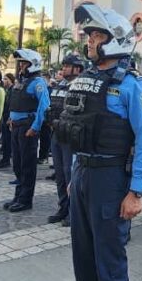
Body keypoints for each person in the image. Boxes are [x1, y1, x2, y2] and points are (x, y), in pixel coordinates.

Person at [49, 2, 142, 281]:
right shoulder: (87, 79)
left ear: (115, 40)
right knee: (84, 261)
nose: (89, 42)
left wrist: (137, 191)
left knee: (109, 265)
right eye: (90, 35)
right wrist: (75, 176)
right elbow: (82, 131)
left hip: (112, 180)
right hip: (84, 177)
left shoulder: (132, 85)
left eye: (96, 35)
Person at [4, 49, 50, 213]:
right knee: (17, 163)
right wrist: (11, 117)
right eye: (20, 63)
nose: (21, 66)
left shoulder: (38, 82)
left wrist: (35, 127)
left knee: (27, 165)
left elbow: (44, 106)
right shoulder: (21, 81)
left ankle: (25, 199)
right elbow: (16, 102)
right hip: (16, 125)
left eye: (24, 63)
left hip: (27, 128)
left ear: (33, 64)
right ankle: (18, 196)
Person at [47, 54, 86, 225]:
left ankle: (73, 211)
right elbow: (52, 105)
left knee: (71, 174)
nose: (63, 69)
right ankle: (63, 207)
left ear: (77, 69)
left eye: (67, 66)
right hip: (57, 133)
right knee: (61, 175)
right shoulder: (60, 86)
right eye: (63, 65)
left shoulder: (81, 86)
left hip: (71, 136)